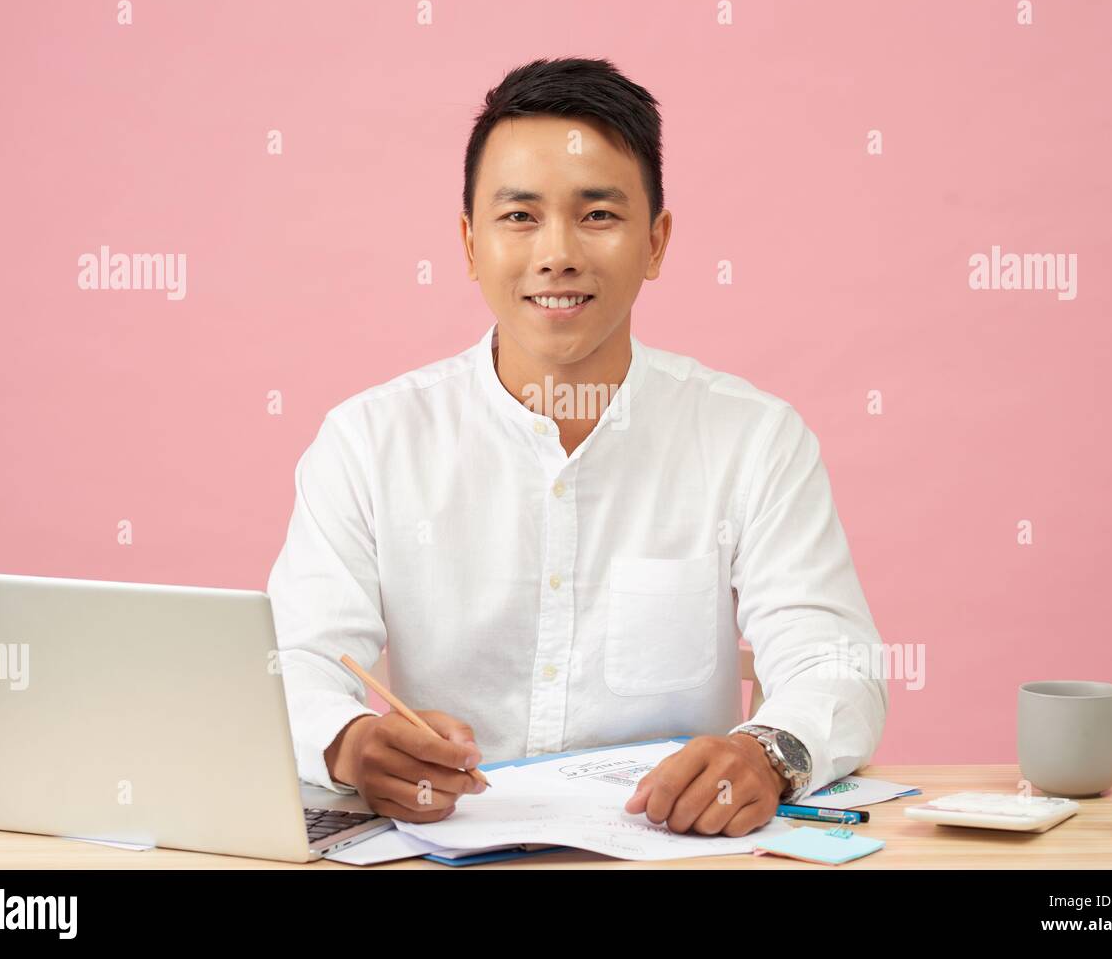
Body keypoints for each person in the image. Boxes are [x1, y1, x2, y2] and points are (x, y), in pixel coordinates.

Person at [267, 57, 888, 837]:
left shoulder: (753, 438)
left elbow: (836, 661)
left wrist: (767, 751)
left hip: (673, 851)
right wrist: (350, 743)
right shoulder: (369, 442)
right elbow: (290, 663)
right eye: (520, 216)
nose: (556, 253)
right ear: (468, 243)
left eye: (597, 215)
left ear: (657, 243)